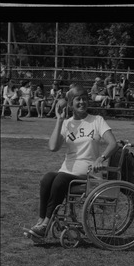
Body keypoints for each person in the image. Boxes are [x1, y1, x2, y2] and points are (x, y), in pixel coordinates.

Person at [27, 84, 118, 239]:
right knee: (47, 178)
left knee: (60, 179)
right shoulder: (67, 123)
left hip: (88, 175)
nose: (82, 102)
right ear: (70, 104)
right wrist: (59, 120)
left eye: (84, 98)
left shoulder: (97, 120)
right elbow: (52, 147)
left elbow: (113, 143)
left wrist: (100, 159)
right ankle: (40, 221)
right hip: (67, 171)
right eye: (78, 99)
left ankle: (45, 225)